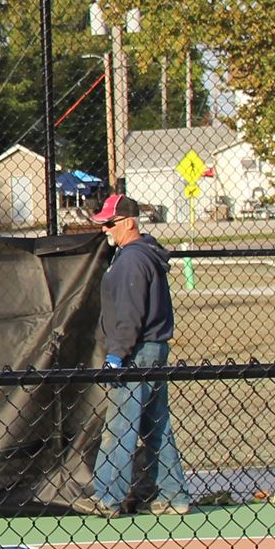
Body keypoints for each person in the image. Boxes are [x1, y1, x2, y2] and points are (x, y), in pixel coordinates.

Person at [81, 193, 192, 517]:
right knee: (156, 424)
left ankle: (107, 497)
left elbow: (130, 314)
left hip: (137, 352)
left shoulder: (131, 259)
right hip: (152, 349)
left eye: (110, 223)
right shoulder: (141, 253)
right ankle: (174, 495)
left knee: (120, 425)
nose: (105, 229)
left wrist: (117, 354)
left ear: (128, 223)